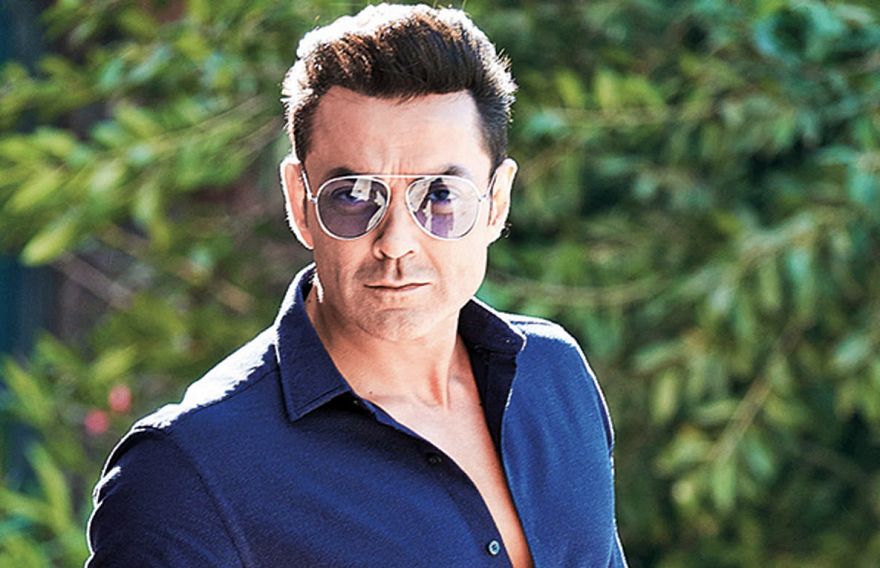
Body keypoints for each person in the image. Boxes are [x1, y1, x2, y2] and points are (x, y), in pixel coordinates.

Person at [86, 4, 627, 567]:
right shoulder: (187, 473)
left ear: (497, 202)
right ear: (299, 201)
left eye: (440, 195)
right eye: (353, 196)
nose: (397, 242)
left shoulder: (553, 376)